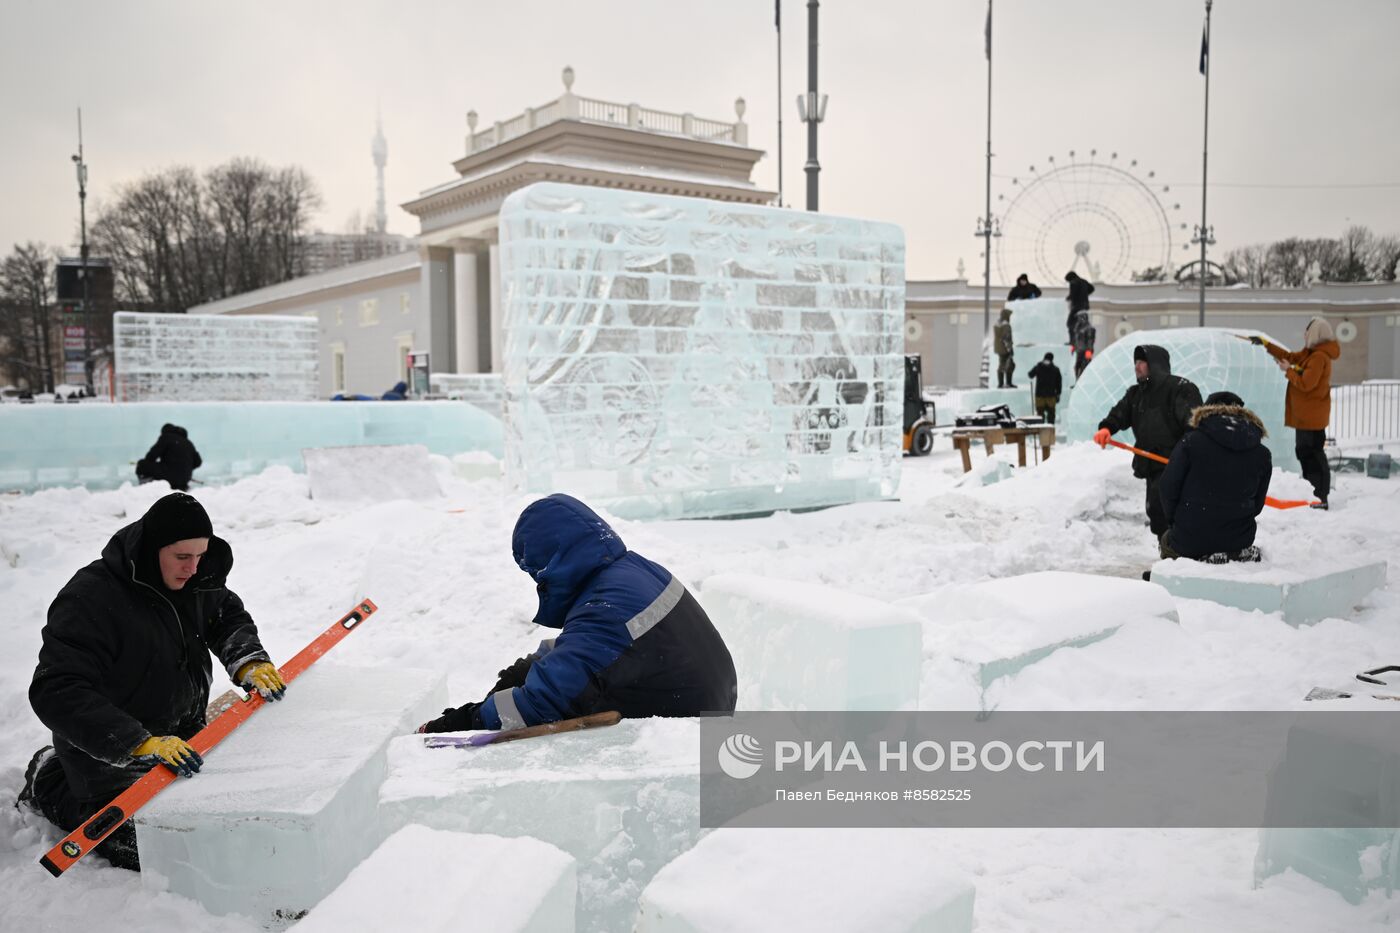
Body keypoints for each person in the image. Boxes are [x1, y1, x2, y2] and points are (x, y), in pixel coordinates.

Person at [18, 493, 285, 871]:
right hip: (109, 760)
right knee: (160, 851)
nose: (193, 568)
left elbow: (225, 616)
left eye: (200, 556)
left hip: (184, 739)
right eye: (182, 557)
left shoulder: (196, 578)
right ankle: (49, 778)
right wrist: (137, 743)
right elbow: (57, 688)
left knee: (222, 830)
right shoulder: (91, 597)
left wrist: (248, 662)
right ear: (152, 547)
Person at [419, 494, 737, 734]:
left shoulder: (604, 605)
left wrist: (464, 721)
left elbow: (538, 705)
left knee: (556, 715)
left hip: (680, 737)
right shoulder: (632, 572)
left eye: (535, 570)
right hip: (705, 706)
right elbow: (597, 651)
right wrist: (532, 665)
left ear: (552, 562)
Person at [1094, 345, 1203, 547]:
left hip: (1175, 464)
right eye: (1135, 362)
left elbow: (1194, 426)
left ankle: (1178, 555)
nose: (1137, 366)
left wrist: (1188, 457)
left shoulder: (1180, 388)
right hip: (1152, 463)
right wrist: (1107, 428)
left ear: (1155, 364)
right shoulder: (1136, 394)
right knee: (1156, 511)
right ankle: (1168, 552)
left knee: (1173, 511)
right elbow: (1120, 413)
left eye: (1142, 362)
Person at [1157, 391, 1272, 562]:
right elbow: (1257, 505)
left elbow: (1167, 488)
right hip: (1238, 540)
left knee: (1166, 540)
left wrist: (1177, 521)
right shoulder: (1261, 454)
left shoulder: (1190, 443)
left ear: (1206, 412)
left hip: (1190, 539)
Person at [1251, 318, 1340, 509]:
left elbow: (1307, 383)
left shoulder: (1318, 357)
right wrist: (1266, 344)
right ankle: (1314, 494)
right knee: (1307, 453)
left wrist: (1288, 371)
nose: (1305, 335)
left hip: (1311, 417)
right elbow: (1291, 356)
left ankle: (1320, 497)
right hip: (1307, 416)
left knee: (1312, 455)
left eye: (1307, 332)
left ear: (1315, 334)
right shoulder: (1312, 354)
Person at [136, 423, 202, 491]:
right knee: (174, 473)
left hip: (169, 477)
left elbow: (151, 457)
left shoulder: (166, 437)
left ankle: (147, 488)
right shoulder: (188, 443)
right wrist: (185, 468)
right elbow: (198, 462)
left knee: (141, 464)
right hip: (185, 479)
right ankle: (181, 485)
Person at [1028, 352, 1063, 425]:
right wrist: (1058, 394)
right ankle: (1050, 431)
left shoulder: (1038, 367)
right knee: (1051, 416)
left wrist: (1036, 368)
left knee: (1040, 416)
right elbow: (1059, 383)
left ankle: (1041, 431)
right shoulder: (1055, 369)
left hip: (1039, 396)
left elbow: (1030, 375)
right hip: (1051, 396)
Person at [1064, 271, 1095, 345]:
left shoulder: (1073, 283)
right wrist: (1085, 294)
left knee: (1070, 323)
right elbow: (1092, 288)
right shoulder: (1084, 281)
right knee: (1083, 323)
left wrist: (1068, 298)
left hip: (1077, 307)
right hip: (1085, 307)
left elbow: (1073, 294)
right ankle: (1084, 341)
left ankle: (1073, 341)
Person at [1070, 311, 1097, 380]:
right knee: (1077, 366)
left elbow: (1090, 341)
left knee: (1084, 367)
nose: (1078, 320)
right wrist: (1074, 347)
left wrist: (1089, 351)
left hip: (1085, 351)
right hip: (1079, 350)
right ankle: (1078, 381)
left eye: (1079, 318)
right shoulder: (1078, 328)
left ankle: (1083, 381)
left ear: (1083, 318)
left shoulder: (1089, 328)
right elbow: (1076, 339)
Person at [993, 308, 1017, 388]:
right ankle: (1007, 383)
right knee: (1010, 365)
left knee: (1002, 365)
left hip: (999, 348)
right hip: (1005, 349)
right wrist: (1009, 349)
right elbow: (1007, 338)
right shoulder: (1006, 325)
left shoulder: (997, 324)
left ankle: (1001, 383)